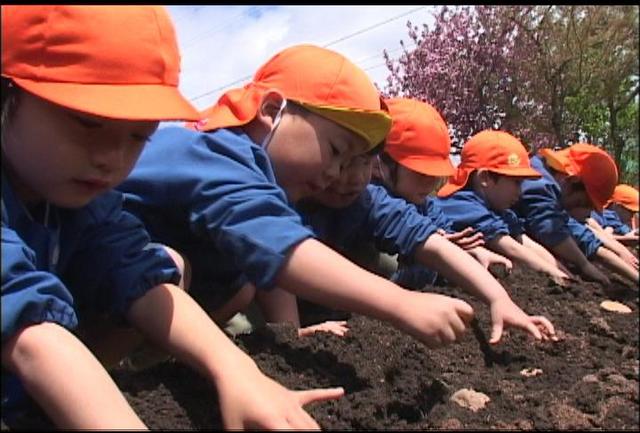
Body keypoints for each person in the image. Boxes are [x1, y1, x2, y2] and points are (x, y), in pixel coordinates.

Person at [1, 6, 345, 430]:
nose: (112, 158)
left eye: (136, 136)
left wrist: (235, 370)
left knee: (163, 266)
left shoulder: (84, 200)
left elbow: (139, 275)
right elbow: (29, 329)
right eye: (87, 124)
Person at [118, 44, 477, 353]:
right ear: (272, 111)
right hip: (80, 274)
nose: (336, 173)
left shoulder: (264, 173)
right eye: (335, 150)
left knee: (240, 287)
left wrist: (292, 335)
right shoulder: (218, 153)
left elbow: (268, 257)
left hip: (116, 285)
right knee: (168, 266)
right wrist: (402, 303)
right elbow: (284, 249)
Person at [331, 97, 554, 344]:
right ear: (381, 164)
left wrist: (480, 260)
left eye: (434, 175)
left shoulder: (425, 204)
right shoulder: (366, 199)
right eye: (420, 173)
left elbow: (445, 239)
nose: (429, 183)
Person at [434, 130, 575, 285]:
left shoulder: (498, 209)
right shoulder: (460, 204)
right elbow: (510, 247)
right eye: (516, 183)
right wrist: (557, 276)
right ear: (485, 178)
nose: (520, 191)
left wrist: (562, 272)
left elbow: (523, 241)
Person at [513, 143, 639, 286]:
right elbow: (552, 230)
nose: (585, 213)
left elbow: (584, 238)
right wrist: (584, 264)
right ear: (572, 181)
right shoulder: (538, 182)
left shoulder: (556, 193)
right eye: (583, 204)